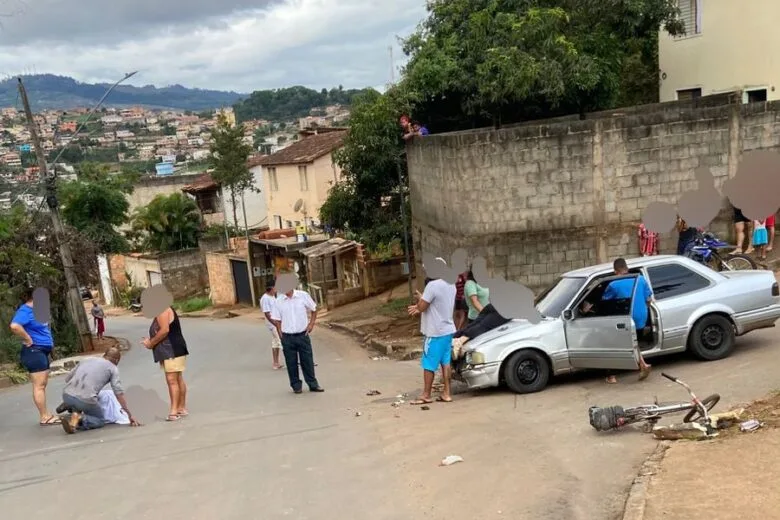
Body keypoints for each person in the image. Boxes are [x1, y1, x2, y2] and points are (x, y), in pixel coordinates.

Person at [582, 258, 653, 384]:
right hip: (642, 317)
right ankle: (643, 364)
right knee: (634, 342)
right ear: (626, 268)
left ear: (615, 271)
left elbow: (605, 303)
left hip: (625, 319)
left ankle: (611, 376)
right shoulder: (640, 279)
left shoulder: (614, 284)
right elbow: (648, 299)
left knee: (613, 346)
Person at [9, 287, 61, 426]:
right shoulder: (25, 311)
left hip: (41, 350)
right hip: (34, 351)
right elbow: (14, 326)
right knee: (39, 385)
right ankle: (45, 417)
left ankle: (46, 415)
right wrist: (27, 338)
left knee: (42, 384)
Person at [58, 347, 141, 434]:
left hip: (66, 394)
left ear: (104, 355)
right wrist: (129, 415)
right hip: (85, 399)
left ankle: (73, 421)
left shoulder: (86, 359)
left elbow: (67, 379)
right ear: (116, 360)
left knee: (81, 399)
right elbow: (118, 393)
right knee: (99, 420)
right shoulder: (113, 368)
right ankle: (80, 418)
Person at [407, 275, 456, 405]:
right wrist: (423, 297)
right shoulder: (451, 284)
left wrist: (418, 304)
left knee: (428, 364)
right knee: (445, 363)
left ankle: (426, 395)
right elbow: (437, 303)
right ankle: (447, 393)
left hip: (435, 332)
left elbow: (423, 306)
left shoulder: (432, 285)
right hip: (448, 330)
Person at [270, 285, 324, 394]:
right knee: (291, 362)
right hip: (287, 336)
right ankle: (296, 386)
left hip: (302, 335)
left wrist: (311, 324)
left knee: (307, 360)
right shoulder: (278, 301)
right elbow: (277, 319)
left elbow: (314, 309)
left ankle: (312, 384)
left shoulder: (303, 296)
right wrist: (280, 333)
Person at [142, 305, 190, 421]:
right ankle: (181, 408)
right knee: (177, 379)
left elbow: (164, 330)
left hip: (172, 350)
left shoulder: (162, 309)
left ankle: (174, 411)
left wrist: (151, 343)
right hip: (174, 348)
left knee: (172, 380)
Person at [260, 283, 284, 370]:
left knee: (275, 343)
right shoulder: (265, 299)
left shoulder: (272, 297)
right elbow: (267, 313)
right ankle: (291, 362)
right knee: (282, 342)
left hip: (276, 323)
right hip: (273, 324)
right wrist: (276, 324)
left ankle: (276, 363)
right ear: (271, 288)